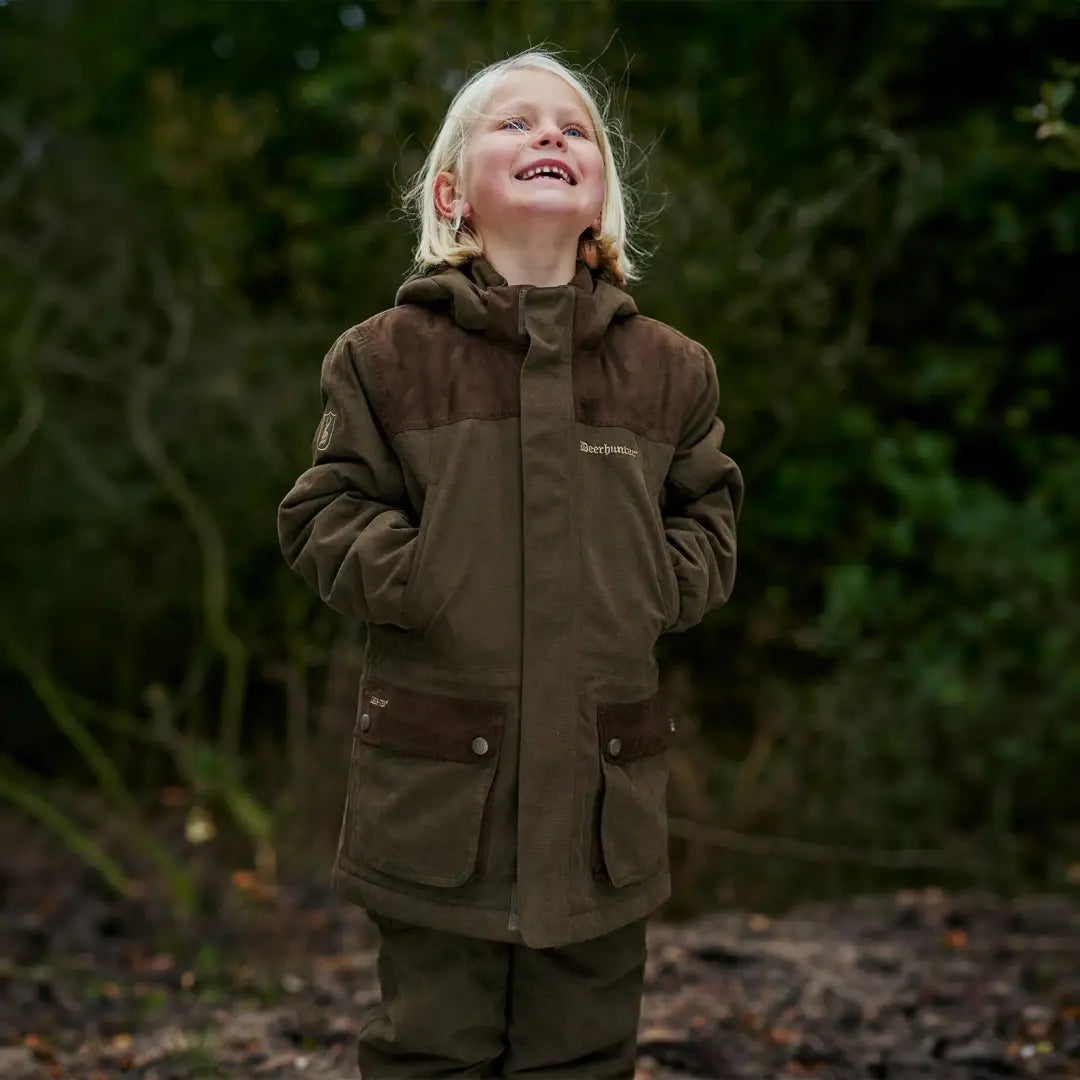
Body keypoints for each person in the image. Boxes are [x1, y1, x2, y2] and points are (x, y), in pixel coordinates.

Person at [277, 48, 744, 1080]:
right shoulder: (384, 356)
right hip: (441, 797)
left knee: (584, 1050)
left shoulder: (670, 371)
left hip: (598, 803)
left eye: (574, 129)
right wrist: (428, 578)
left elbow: (708, 517)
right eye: (516, 124)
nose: (550, 137)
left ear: (601, 204)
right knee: (429, 1048)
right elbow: (323, 511)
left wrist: (649, 588)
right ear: (452, 196)